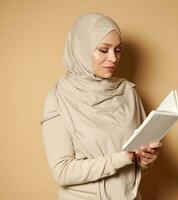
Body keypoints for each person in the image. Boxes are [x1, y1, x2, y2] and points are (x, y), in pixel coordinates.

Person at [40, 12, 162, 200]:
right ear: (82, 48)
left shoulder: (127, 92)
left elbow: (133, 170)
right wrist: (123, 158)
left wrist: (144, 161)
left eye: (118, 50)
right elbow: (62, 172)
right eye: (104, 50)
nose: (113, 58)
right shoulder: (59, 98)